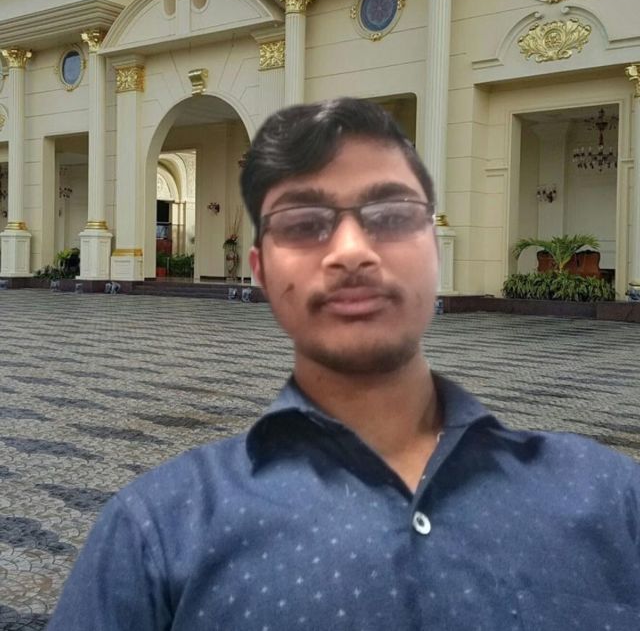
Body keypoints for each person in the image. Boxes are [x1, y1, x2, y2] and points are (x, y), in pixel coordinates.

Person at [48, 98, 640, 630]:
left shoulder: (612, 499)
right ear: (261, 272)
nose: (351, 251)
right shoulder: (155, 532)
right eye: (304, 224)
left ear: (433, 254)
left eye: (390, 215)